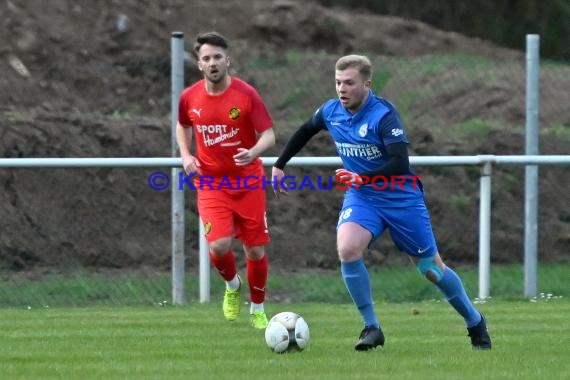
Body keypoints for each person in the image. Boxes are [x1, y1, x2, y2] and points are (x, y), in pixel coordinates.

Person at [271, 54, 492, 350]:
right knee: (348, 248)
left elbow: (400, 162)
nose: (341, 89)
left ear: (366, 84)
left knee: (431, 270)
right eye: (338, 82)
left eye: (349, 83)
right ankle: (371, 327)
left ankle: (475, 321)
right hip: (363, 197)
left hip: (402, 198)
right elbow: (306, 130)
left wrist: (363, 177)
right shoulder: (331, 111)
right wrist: (280, 164)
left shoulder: (383, 115)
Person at [177, 31, 275, 329]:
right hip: (211, 183)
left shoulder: (246, 95)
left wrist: (254, 151)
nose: (212, 63)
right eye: (206, 58)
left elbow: (269, 135)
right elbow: (182, 125)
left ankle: (257, 308)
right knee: (219, 245)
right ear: (199, 64)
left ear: (227, 60)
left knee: (255, 250)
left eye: (217, 57)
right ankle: (233, 286)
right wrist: (185, 154)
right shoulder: (189, 97)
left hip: (248, 182)